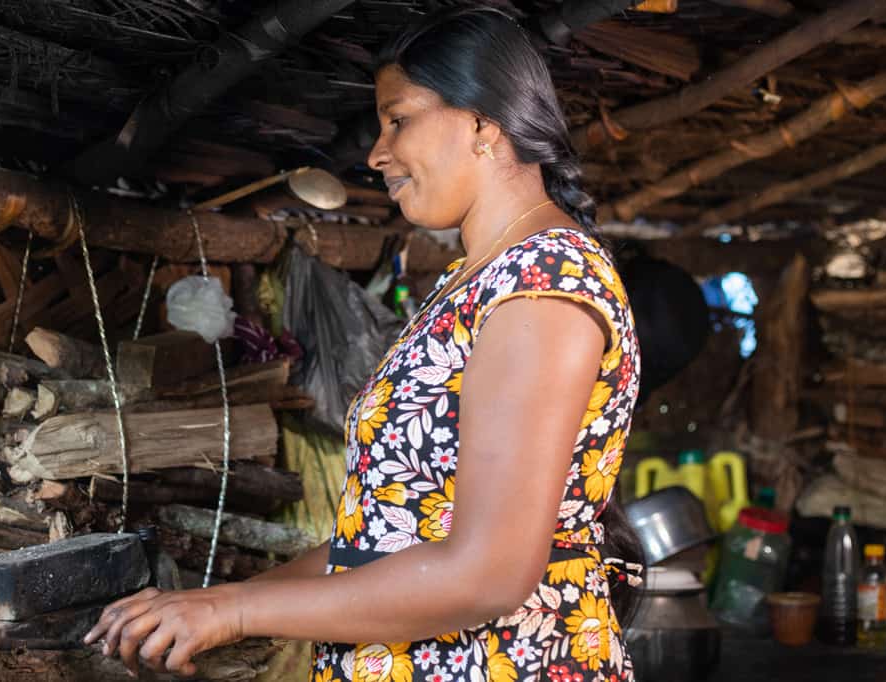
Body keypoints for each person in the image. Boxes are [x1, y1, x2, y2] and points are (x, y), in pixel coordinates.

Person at [83, 7, 644, 681]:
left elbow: (488, 574)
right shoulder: (476, 282)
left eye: (398, 119)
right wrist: (211, 603)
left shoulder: (545, 283)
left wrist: (233, 612)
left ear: (481, 125)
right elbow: (378, 540)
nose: (376, 152)